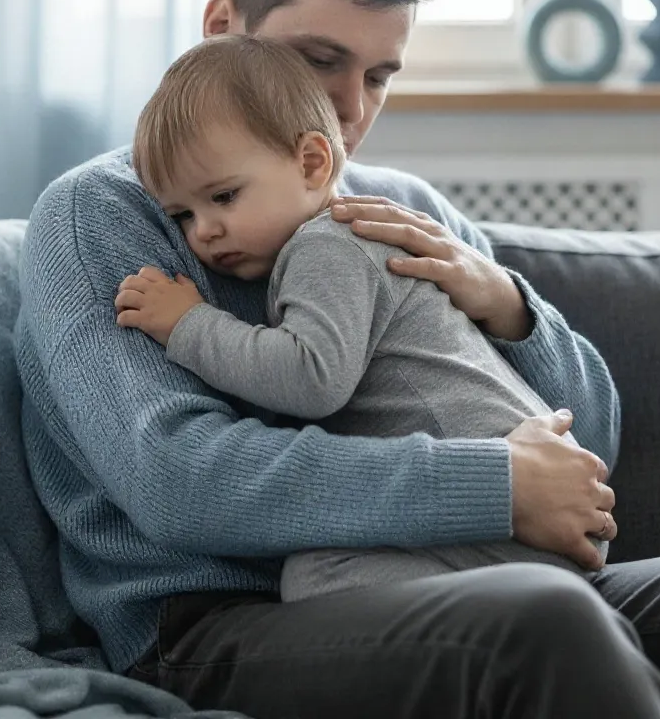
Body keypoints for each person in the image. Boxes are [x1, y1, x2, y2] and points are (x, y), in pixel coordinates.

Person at [15, 0, 660, 719]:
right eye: (320, 59)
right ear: (222, 26)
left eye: (378, 76)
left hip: (481, 572)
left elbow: (585, 450)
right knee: (543, 624)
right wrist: (492, 485)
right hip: (212, 626)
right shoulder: (103, 216)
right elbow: (182, 482)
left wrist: (507, 305)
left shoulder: (403, 212)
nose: (346, 109)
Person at [115, 32, 609, 604]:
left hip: (512, 516)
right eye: (182, 215)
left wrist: (188, 325)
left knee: (318, 578)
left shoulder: (329, 246)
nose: (203, 231)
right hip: (512, 518)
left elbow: (311, 378)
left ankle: (574, 672)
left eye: (223, 197)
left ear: (311, 162)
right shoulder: (341, 238)